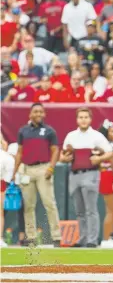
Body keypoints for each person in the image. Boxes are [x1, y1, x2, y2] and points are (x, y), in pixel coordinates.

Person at [59, 107, 113, 247]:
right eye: (81, 117)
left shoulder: (96, 136)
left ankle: (92, 240)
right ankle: (82, 238)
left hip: (90, 173)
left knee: (91, 209)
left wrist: (99, 158)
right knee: (79, 210)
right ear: (77, 119)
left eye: (86, 117)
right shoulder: (71, 136)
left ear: (90, 119)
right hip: (75, 174)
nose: (83, 120)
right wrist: (65, 157)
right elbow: (62, 156)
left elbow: (109, 152)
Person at [11, 103, 61, 246]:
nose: (38, 114)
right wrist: (15, 172)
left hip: (43, 168)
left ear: (44, 114)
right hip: (27, 169)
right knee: (28, 206)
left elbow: (55, 150)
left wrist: (51, 167)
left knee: (49, 203)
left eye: (41, 112)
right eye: (36, 112)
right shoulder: (23, 131)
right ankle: (31, 237)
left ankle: (56, 237)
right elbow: (20, 153)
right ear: (30, 114)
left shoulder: (49, 131)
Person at [98, 120, 113, 247]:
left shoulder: (106, 146)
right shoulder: (109, 147)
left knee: (111, 210)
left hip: (106, 175)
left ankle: (109, 236)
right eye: (112, 131)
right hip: (109, 175)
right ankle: (107, 239)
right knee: (110, 210)